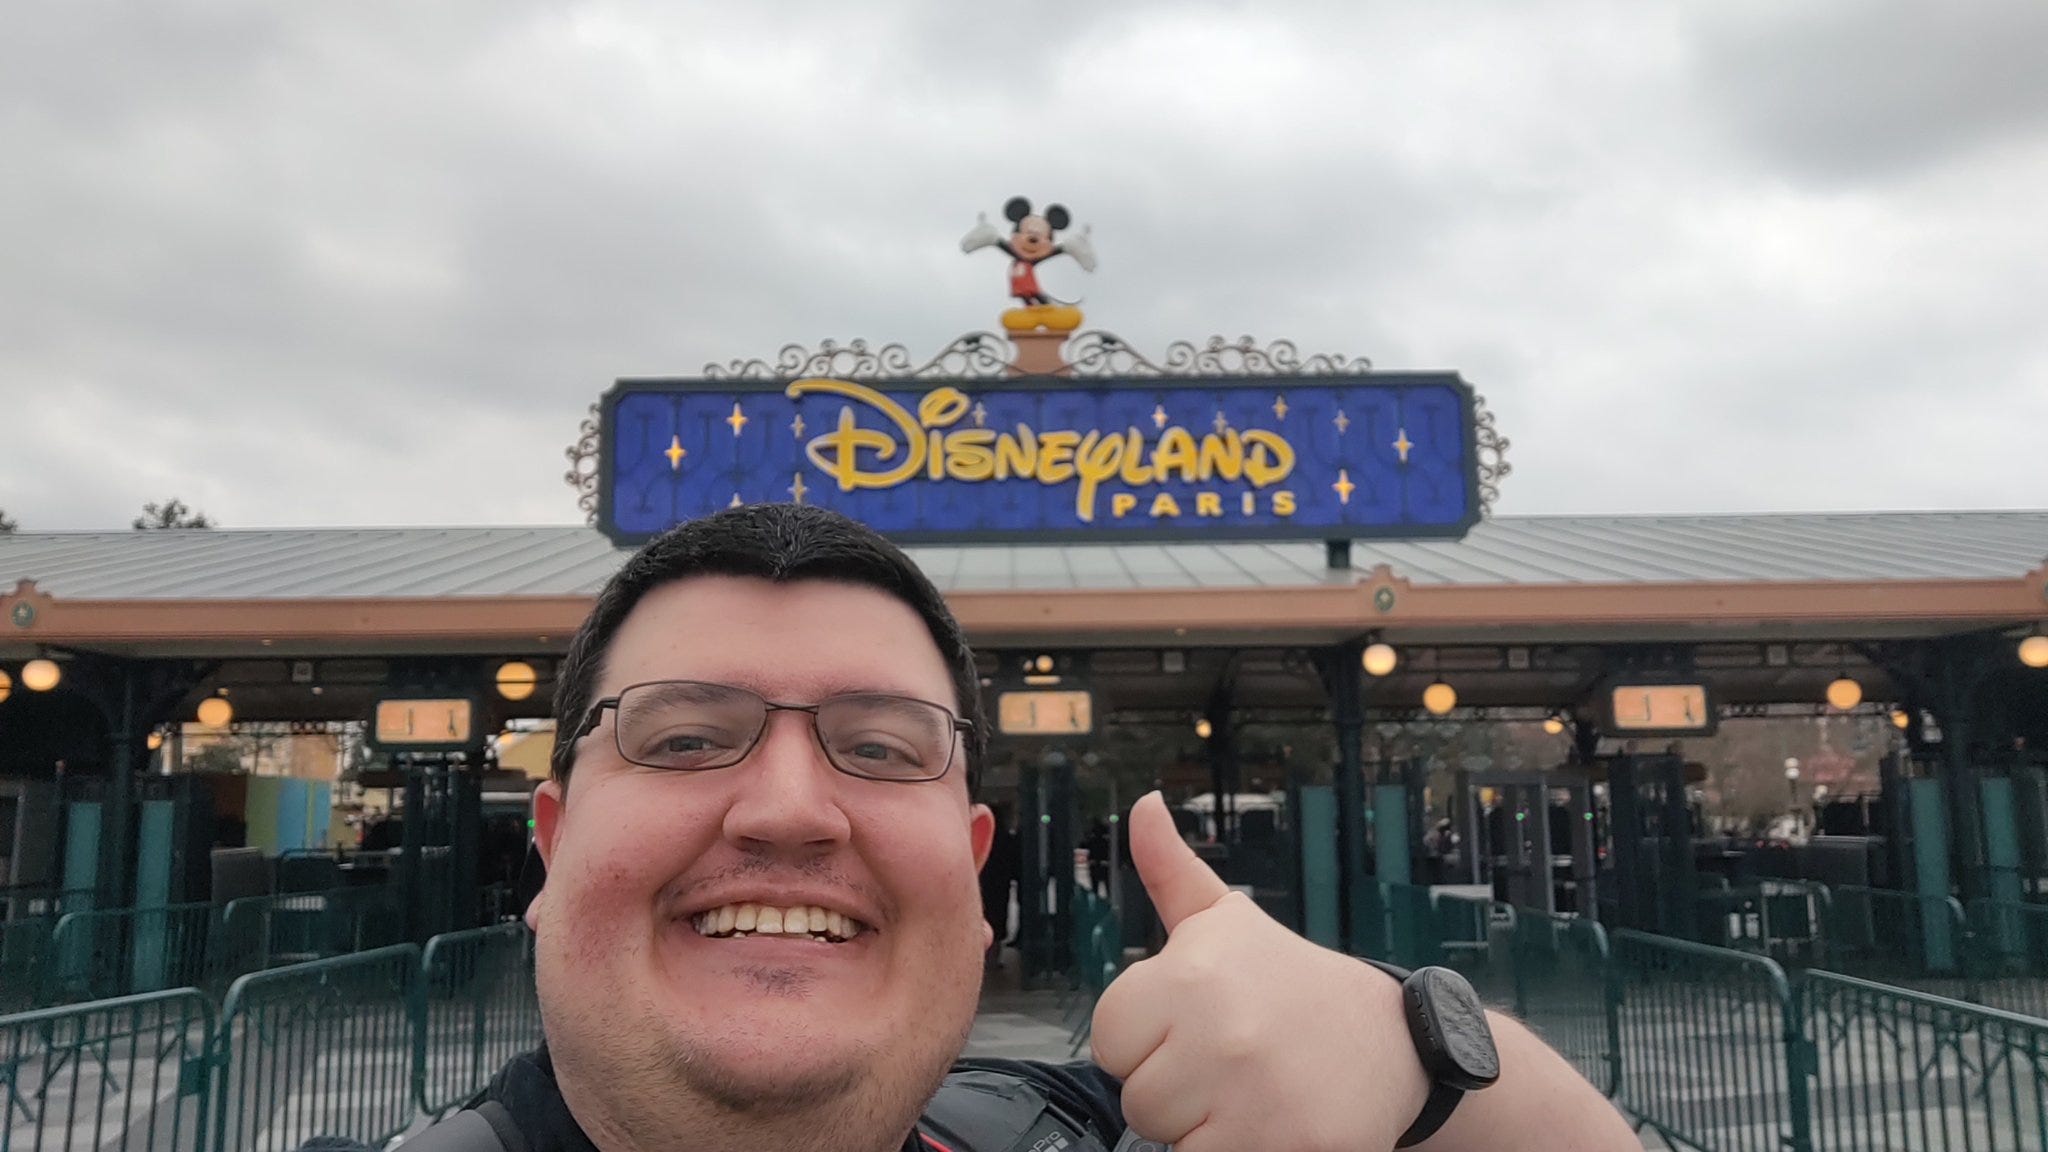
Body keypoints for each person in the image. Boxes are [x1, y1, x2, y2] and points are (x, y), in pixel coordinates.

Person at [373, 504, 1637, 1152]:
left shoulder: (1078, 1129)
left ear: (973, 877)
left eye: (879, 748)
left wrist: (1415, 1057)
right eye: (684, 736)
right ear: (550, 842)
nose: (790, 808)